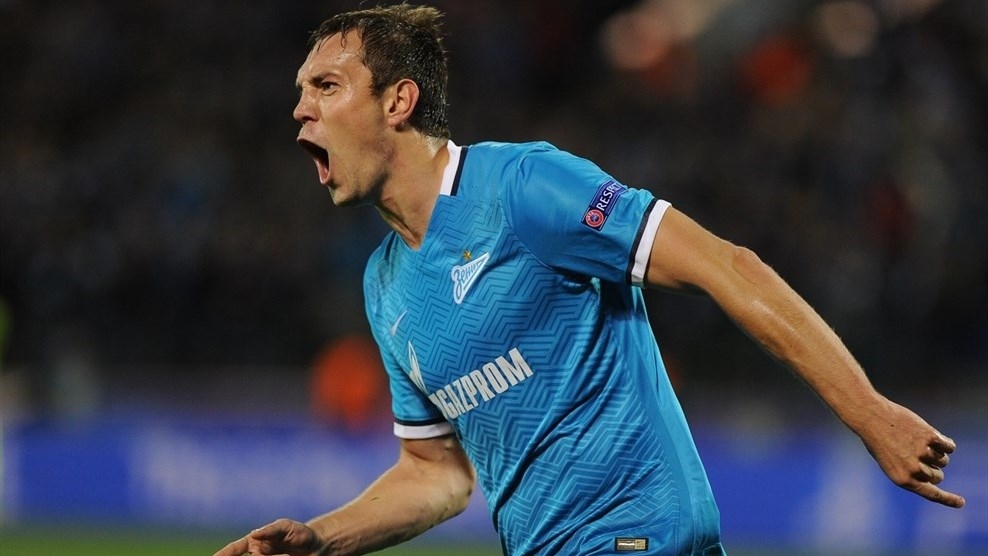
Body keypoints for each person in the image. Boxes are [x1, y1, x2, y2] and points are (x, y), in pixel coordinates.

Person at [215, 4, 964, 555]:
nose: (300, 110)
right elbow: (435, 474)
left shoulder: (523, 188)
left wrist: (869, 412)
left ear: (397, 101)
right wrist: (321, 538)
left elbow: (729, 266)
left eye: (326, 86)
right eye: (302, 91)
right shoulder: (386, 286)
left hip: (640, 537)